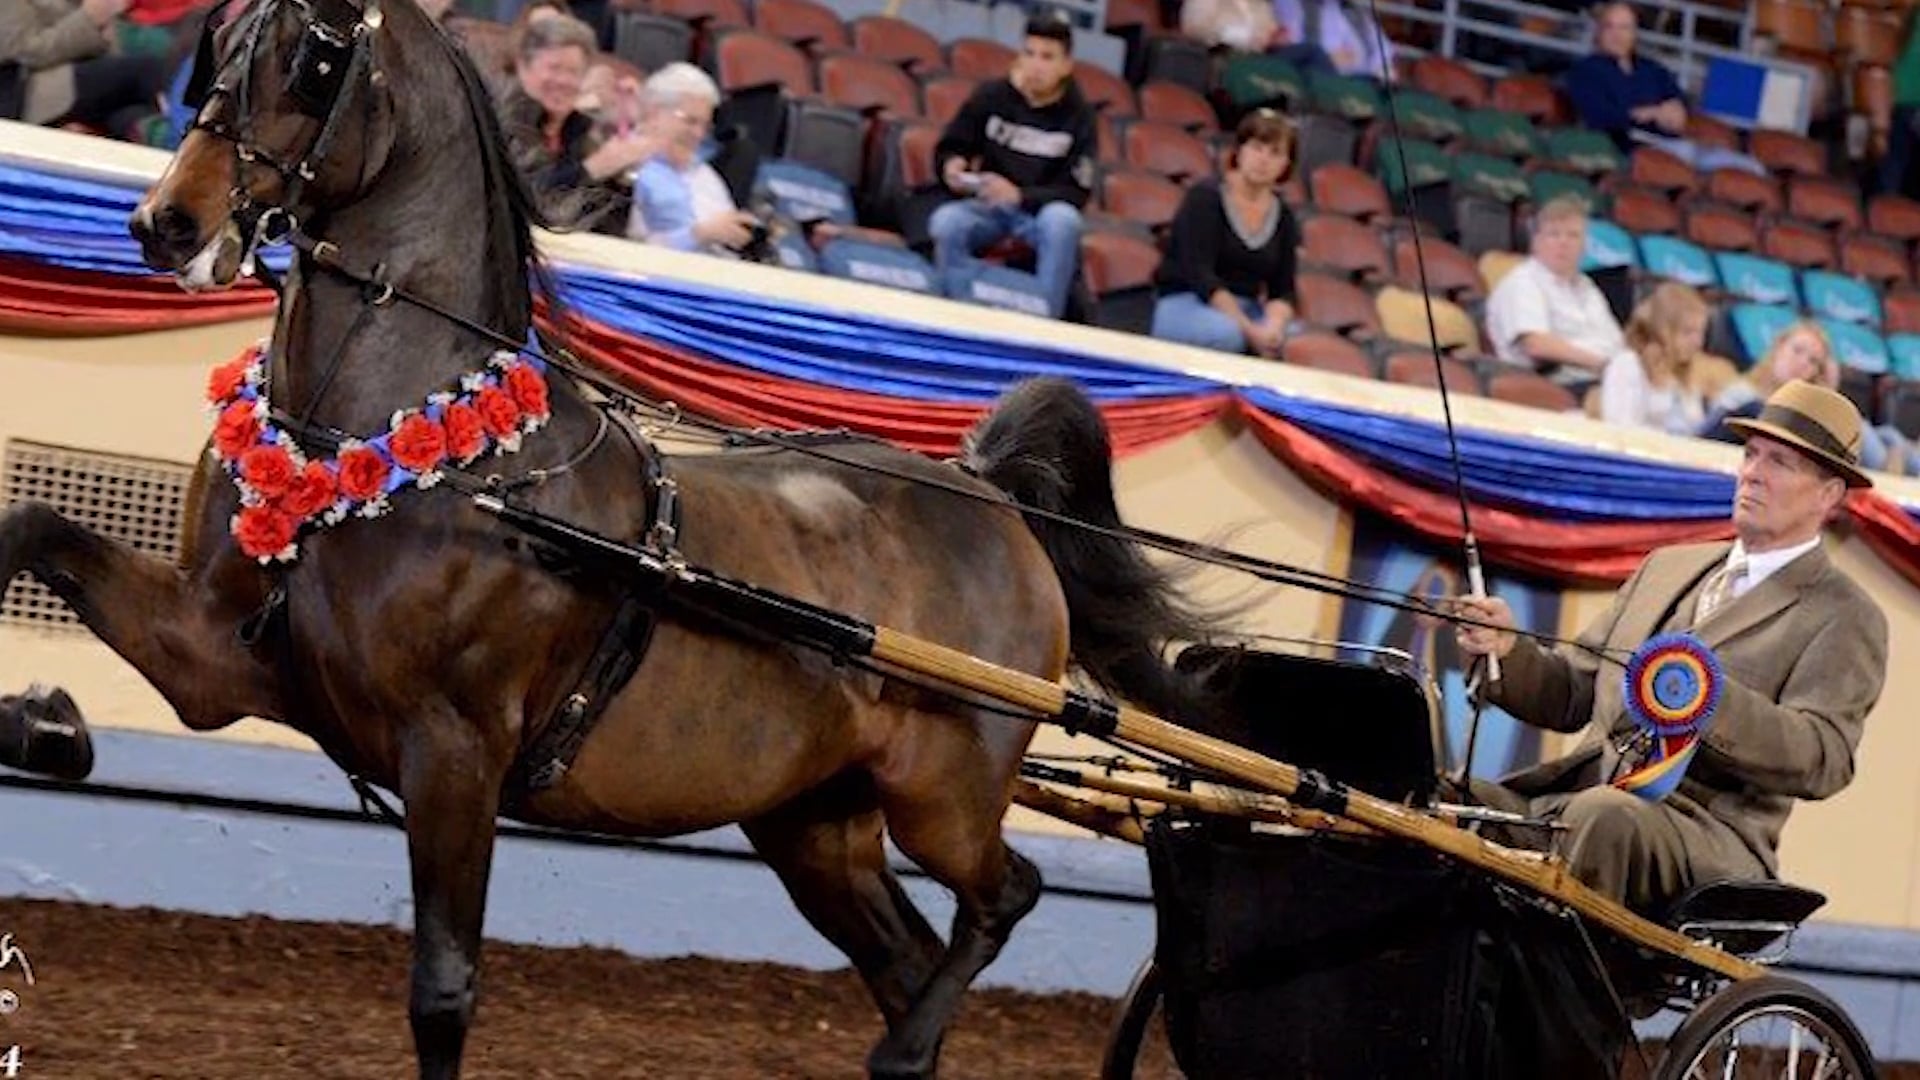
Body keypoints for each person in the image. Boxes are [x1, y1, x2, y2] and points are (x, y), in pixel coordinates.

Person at [1452, 379, 1889, 913]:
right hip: (1579, 800)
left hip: (1703, 834)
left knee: (1603, 817)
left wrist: (1708, 702)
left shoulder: (1844, 614)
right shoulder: (1667, 567)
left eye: (1780, 462)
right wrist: (1505, 649)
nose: (1752, 472)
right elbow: (1572, 692)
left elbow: (1825, 759)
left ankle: (1550, 994)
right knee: (1450, 800)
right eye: (1751, 454)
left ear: (1829, 495)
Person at [930, 11, 1096, 319]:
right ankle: (953, 311)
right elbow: (951, 145)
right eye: (1029, 53)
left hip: (1038, 215)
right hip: (989, 205)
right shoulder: (993, 95)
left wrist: (1021, 196)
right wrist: (951, 166)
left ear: (1066, 66)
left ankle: (1044, 320)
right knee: (946, 222)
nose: (1035, 65)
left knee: (1064, 222)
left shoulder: (1080, 115)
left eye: (1047, 57)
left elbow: (1077, 193)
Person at [1150, 109, 1299, 357]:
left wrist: (1273, 326)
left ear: (1286, 164)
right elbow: (1200, 275)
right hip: (1187, 301)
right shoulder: (1205, 198)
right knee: (1227, 335)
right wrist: (1249, 329)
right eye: (1256, 148)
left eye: (1275, 153)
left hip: (1249, 308)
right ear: (1239, 150)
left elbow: (1283, 289)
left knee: (1295, 342)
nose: (1263, 159)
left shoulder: (1284, 216)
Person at [1563, 2, 1763, 175]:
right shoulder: (1585, 71)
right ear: (1599, 32)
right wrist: (1645, 113)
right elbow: (1598, 115)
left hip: (1677, 143)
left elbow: (1678, 100)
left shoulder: (1651, 69)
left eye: (1625, 28)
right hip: (1633, 147)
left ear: (1634, 33)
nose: (1617, 35)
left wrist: (1676, 111)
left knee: (1752, 167)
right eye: (1610, 27)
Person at [497, 13, 654, 231]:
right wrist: (592, 169)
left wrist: (621, 175)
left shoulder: (581, 128)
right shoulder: (504, 121)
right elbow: (523, 197)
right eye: (554, 68)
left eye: (574, 71)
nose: (564, 81)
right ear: (523, 66)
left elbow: (610, 224)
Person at [1705, 321, 1915, 476]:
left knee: (1890, 436)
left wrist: (1827, 392)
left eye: (1813, 361)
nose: (1802, 363)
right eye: (1797, 350)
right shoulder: (1743, 394)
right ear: (1778, 348)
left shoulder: (1803, 409)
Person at [1483, 196, 1625, 390]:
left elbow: (1615, 341)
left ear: (1584, 246)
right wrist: (1601, 365)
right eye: (1554, 234)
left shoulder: (1587, 287)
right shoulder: (1523, 282)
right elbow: (1537, 345)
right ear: (1536, 242)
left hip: (1606, 381)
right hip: (1554, 385)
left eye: (1573, 235)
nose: (1563, 243)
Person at [627, 63, 763, 257]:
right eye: (690, 121)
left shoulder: (705, 176)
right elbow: (625, 249)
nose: (698, 134)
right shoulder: (628, 167)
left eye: (705, 126)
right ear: (654, 113)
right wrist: (698, 235)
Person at [1, 0, 169, 142]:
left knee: (130, 115)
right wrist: (90, 18)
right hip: (30, 93)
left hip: (82, 77)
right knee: (144, 71)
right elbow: (26, 52)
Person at [1597, 282, 1708, 436]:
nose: (1698, 343)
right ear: (1662, 330)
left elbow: (1696, 428)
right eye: (1688, 332)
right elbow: (1621, 428)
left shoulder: (1685, 375)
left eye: (1700, 333)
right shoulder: (1627, 364)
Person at [1268, 0, 1396, 82]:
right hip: (1308, 87)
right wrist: (1328, 59)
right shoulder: (1288, 4)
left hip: (1356, 95)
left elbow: (1383, 60)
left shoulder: (1353, 12)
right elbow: (1287, 49)